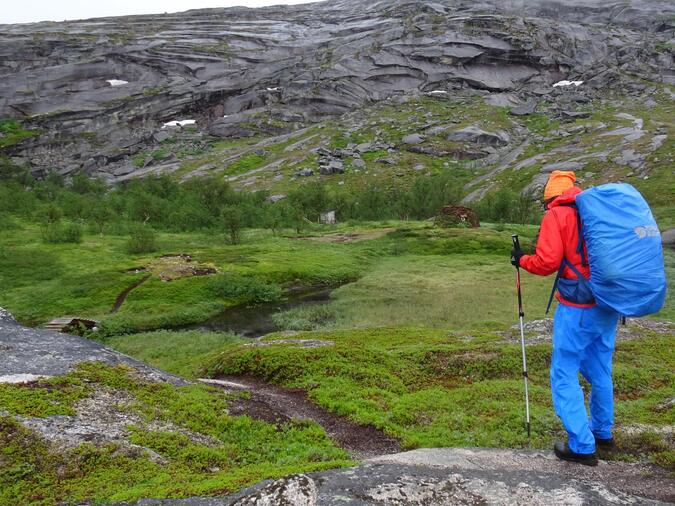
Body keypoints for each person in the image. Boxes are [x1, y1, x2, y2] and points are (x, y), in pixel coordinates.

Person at [511, 170, 619, 466]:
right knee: (600, 370)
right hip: (608, 305)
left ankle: (582, 447)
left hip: (576, 308)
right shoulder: (595, 209)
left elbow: (547, 262)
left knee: (564, 373)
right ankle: (602, 432)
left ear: (550, 198)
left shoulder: (557, 215)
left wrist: (521, 259)